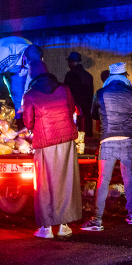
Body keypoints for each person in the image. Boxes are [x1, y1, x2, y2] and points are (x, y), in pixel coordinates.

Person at [23, 57, 82, 238]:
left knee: (45, 183)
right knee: (65, 181)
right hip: (66, 141)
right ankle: (64, 225)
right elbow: (72, 109)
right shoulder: (64, 89)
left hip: (45, 141)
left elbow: (28, 122)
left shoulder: (30, 95)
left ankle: (46, 228)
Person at [81, 63, 132, 231]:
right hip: (128, 140)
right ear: (125, 76)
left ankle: (97, 219)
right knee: (128, 177)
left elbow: (93, 114)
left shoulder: (100, 93)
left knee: (103, 179)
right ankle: (131, 214)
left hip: (108, 140)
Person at [63, 52, 95, 138]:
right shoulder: (88, 75)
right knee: (86, 135)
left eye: (69, 62)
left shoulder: (70, 75)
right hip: (87, 110)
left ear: (72, 62)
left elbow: (67, 93)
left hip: (74, 109)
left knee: (75, 134)